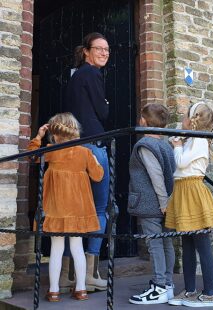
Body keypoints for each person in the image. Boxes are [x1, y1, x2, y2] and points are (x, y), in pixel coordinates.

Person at [28, 113, 104, 302]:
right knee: (77, 247)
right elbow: (98, 176)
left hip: (57, 208)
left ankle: (53, 291)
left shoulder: (52, 150)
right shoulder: (85, 152)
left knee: (56, 247)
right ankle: (81, 289)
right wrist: (95, 160)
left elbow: (32, 157)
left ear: (54, 133)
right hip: (78, 209)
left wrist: (38, 137)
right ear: (75, 130)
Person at [63, 32, 110, 292]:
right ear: (87, 52)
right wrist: (105, 103)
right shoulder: (92, 74)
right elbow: (103, 112)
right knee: (99, 207)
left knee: (76, 208)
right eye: (99, 49)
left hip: (74, 146)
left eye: (107, 50)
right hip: (93, 144)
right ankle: (90, 273)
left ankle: (69, 274)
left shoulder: (75, 77)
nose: (104, 53)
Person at [165, 102, 213, 308]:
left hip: (193, 190)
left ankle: (210, 293)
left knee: (202, 244)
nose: (182, 117)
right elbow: (177, 149)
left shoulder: (198, 140)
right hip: (182, 190)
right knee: (187, 244)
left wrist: (178, 146)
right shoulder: (191, 139)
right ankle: (189, 290)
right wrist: (180, 138)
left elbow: (181, 163)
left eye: (185, 115)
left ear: (193, 118)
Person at [127, 103, 176, 305]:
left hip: (152, 204)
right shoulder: (166, 145)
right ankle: (167, 284)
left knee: (155, 243)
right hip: (164, 202)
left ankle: (159, 286)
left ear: (143, 121)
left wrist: (163, 202)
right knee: (166, 243)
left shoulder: (145, 145)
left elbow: (156, 175)